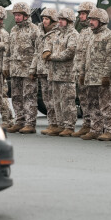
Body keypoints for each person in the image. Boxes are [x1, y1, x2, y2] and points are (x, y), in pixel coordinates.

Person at [80, 7, 111, 141]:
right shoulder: (90, 35)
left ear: (102, 21)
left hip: (102, 77)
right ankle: (95, 129)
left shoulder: (108, 36)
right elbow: (85, 56)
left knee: (107, 104)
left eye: (94, 20)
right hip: (90, 77)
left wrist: (107, 75)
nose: (91, 22)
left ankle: (109, 130)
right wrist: (82, 73)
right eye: (90, 19)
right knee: (92, 104)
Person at [5, 2, 41, 133]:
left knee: (29, 97)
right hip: (15, 70)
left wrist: (34, 69)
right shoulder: (13, 30)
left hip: (28, 70)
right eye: (15, 15)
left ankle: (30, 123)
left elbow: (38, 52)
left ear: (26, 15)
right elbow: (8, 50)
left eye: (19, 15)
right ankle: (19, 121)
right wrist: (6, 66)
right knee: (16, 96)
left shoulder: (34, 30)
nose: (17, 17)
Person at [43, 8, 78, 137]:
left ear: (69, 21)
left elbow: (70, 52)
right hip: (54, 73)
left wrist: (52, 56)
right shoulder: (57, 34)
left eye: (63, 20)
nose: (60, 22)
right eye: (59, 19)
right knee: (56, 101)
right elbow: (48, 45)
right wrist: (46, 51)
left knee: (67, 101)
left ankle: (69, 126)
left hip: (66, 74)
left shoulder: (73, 34)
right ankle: (60, 124)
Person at [30, 8, 60, 135]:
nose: (44, 21)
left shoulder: (57, 34)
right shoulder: (40, 33)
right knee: (47, 100)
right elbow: (36, 53)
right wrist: (33, 69)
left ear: (53, 20)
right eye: (43, 18)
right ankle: (52, 124)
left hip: (52, 71)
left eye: (47, 19)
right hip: (42, 71)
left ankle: (57, 124)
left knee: (54, 99)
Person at [71, 1, 97, 137]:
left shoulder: (93, 32)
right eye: (80, 14)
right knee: (83, 100)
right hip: (80, 72)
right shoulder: (83, 32)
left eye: (83, 14)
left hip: (90, 72)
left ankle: (95, 127)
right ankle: (87, 125)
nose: (80, 17)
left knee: (92, 100)